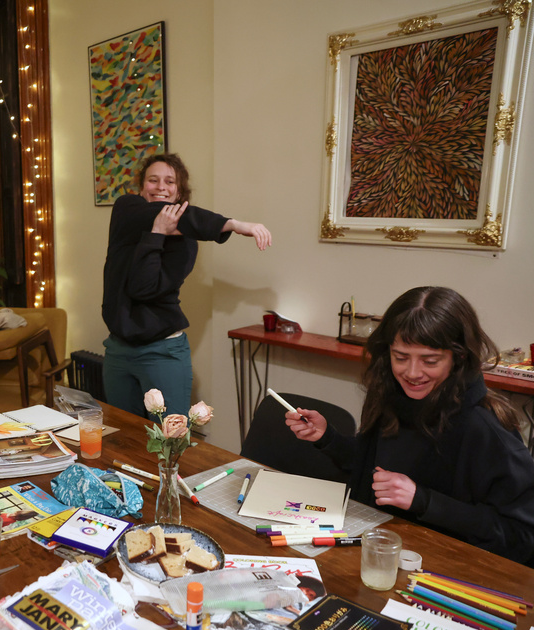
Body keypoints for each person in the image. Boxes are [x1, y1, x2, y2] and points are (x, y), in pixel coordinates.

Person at [284, 286, 534, 564]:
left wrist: (424, 501)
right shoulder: (392, 394)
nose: (412, 373)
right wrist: (327, 437)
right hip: (384, 549)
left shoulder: (485, 428)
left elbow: (522, 536)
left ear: (459, 357)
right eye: (400, 357)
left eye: (430, 360)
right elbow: (373, 469)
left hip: (449, 570)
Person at [101, 152, 271, 417]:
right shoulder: (126, 210)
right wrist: (232, 225)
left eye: (170, 182)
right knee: (123, 438)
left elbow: (143, 289)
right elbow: (155, 214)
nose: (160, 187)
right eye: (153, 180)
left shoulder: (185, 242)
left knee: (169, 440)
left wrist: (157, 234)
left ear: (179, 191)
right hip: (117, 350)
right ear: (141, 186)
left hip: (161, 350)